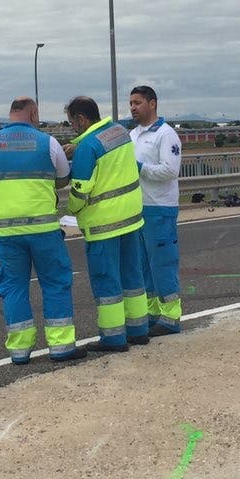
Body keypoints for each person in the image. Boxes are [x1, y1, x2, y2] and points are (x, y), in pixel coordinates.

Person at [0, 97, 86, 365]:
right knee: (55, 283)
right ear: (33, 114)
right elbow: (63, 178)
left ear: (11, 114)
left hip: (6, 232)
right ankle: (61, 347)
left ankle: (19, 351)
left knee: (13, 287)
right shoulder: (48, 142)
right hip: (43, 230)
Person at [65, 96, 148, 352]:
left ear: (81, 118)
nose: (72, 128)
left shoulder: (88, 146)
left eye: (72, 123)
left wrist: (70, 210)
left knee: (106, 280)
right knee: (133, 275)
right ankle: (139, 330)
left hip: (104, 225)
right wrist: (78, 147)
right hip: (131, 218)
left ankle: (113, 338)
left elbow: (81, 190)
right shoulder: (120, 132)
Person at [128, 85, 183, 336]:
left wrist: (139, 168)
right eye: (131, 103)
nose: (133, 107)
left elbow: (170, 170)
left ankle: (170, 316)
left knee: (162, 263)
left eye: (137, 102)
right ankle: (152, 313)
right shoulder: (133, 134)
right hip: (138, 209)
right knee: (143, 266)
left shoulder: (166, 134)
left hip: (160, 208)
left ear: (152, 103)